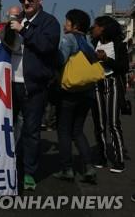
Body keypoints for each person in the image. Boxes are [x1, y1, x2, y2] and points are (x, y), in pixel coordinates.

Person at [8, 0, 60, 191]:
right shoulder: (16, 20)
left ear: (40, 0)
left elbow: (47, 46)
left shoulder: (49, 22)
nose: (26, 3)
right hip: (10, 83)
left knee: (31, 131)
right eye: (23, 0)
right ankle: (8, 166)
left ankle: (29, 171)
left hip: (34, 86)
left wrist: (24, 30)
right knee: (6, 128)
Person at [53, 9, 96, 183]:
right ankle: (89, 167)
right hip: (87, 93)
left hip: (69, 93)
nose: (65, 25)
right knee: (78, 131)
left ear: (75, 25)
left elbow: (59, 61)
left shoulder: (69, 39)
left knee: (63, 131)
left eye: (67, 22)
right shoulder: (88, 43)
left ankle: (67, 169)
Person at [90, 16, 129, 173]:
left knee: (113, 123)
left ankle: (119, 160)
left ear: (104, 28)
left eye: (96, 26)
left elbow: (124, 67)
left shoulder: (118, 45)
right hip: (96, 83)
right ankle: (102, 157)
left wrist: (105, 59)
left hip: (112, 83)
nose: (94, 28)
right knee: (99, 123)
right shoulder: (94, 43)